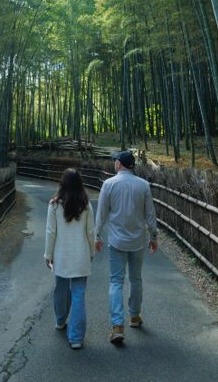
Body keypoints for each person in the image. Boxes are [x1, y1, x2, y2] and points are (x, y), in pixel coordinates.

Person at [94, 150, 158, 345]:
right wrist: (153, 236)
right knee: (136, 278)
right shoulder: (143, 185)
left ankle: (117, 326)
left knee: (115, 281)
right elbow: (150, 215)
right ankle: (135, 316)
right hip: (137, 241)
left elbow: (102, 213)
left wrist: (96, 235)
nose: (114, 163)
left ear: (120, 164)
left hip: (116, 241)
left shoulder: (109, 184)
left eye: (115, 161)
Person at [44, 168, 95, 350]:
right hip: (80, 256)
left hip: (61, 256)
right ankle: (76, 338)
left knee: (61, 288)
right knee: (79, 295)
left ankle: (60, 321)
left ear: (62, 183)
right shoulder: (86, 204)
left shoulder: (54, 205)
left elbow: (51, 233)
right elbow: (91, 232)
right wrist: (91, 252)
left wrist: (48, 255)